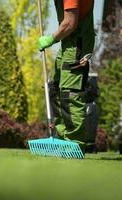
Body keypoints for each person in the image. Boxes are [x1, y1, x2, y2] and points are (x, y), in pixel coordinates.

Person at [38, 0, 95, 152]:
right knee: (55, 89)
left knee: (70, 94)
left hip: (77, 42)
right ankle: (61, 139)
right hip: (68, 42)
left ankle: (74, 144)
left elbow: (70, 22)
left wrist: (50, 39)